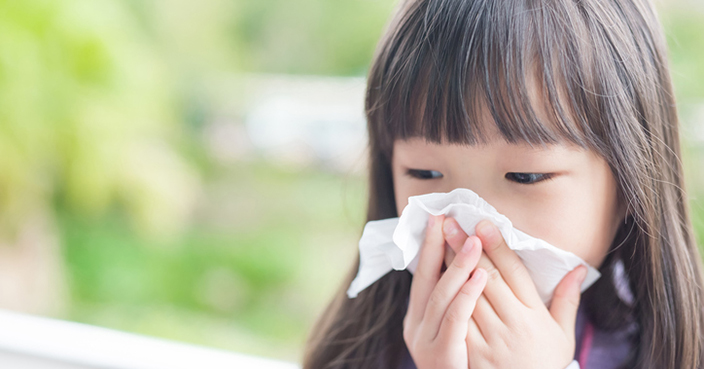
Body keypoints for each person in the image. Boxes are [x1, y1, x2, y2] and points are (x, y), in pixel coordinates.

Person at [303, 0, 704, 368]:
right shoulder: (363, 348)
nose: (474, 227)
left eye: (526, 176)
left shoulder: (664, 347)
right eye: (424, 173)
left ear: (630, 183)